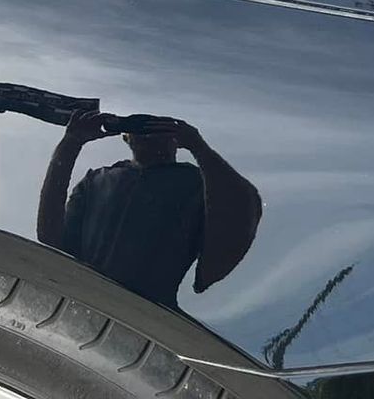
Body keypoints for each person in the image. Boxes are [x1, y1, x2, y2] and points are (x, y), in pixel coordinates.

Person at [36, 111, 262, 308]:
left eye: (159, 126)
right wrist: (71, 143)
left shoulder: (198, 183)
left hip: (151, 312)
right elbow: (52, 239)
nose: (148, 133)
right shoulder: (97, 180)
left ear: (175, 140)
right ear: (126, 135)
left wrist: (199, 147)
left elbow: (243, 207)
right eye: (139, 125)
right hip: (84, 300)